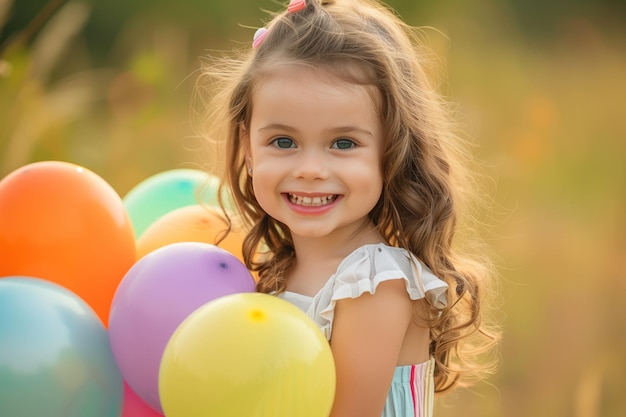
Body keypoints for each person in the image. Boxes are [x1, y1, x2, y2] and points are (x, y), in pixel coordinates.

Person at [199, 0, 500, 416]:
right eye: (283, 142)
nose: (310, 170)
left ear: (390, 151)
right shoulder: (278, 266)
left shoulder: (374, 284)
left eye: (343, 143)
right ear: (248, 147)